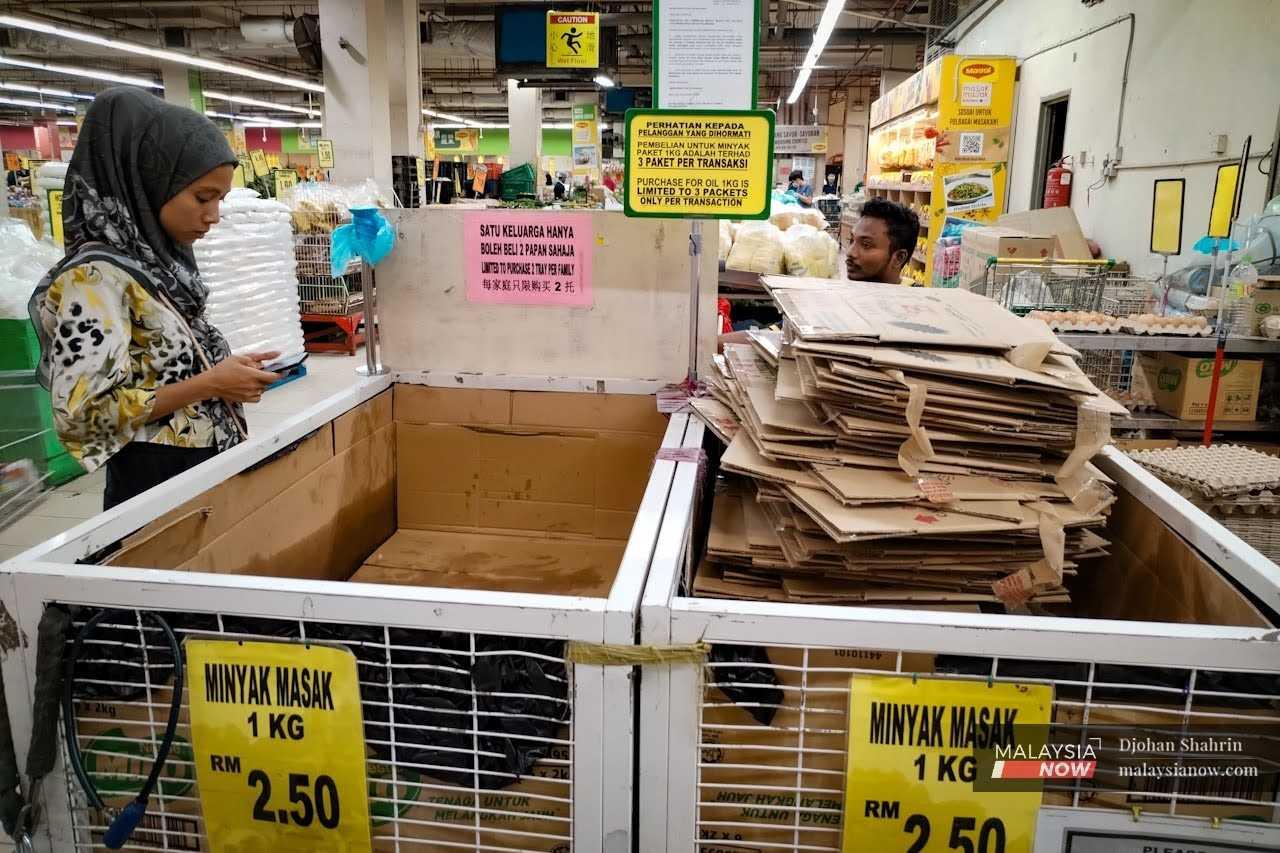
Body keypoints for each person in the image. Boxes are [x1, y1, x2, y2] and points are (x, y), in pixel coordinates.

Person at [29, 87, 281, 511]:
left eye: (220, 199)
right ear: (148, 182)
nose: (213, 216)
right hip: (155, 478)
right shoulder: (94, 281)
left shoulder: (154, 263)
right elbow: (84, 414)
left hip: (196, 465)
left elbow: (156, 369)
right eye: (202, 198)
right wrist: (212, 382)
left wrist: (224, 375)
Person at [845, 197, 920, 284]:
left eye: (866, 245)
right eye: (851, 241)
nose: (850, 253)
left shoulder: (918, 296)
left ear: (899, 258)